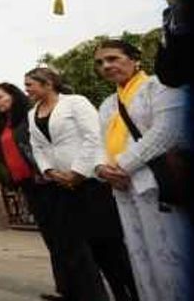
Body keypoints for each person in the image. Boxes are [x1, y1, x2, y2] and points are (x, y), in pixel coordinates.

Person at [25, 66, 138, 301]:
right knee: (77, 251)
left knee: (107, 247)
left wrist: (77, 171)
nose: (27, 90)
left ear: (47, 83)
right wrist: (50, 171)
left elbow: (94, 136)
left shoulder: (75, 102)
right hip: (60, 187)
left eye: (30, 85)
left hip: (90, 184)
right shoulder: (31, 114)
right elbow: (38, 146)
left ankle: (127, 294)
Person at [93, 39, 190, 301]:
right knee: (140, 256)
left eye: (113, 58)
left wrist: (122, 164)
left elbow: (168, 131)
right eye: (101, 62)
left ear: (135, 59)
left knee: (171, 255)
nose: (106, 65)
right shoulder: (107, 104)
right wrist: (102, 167)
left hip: (157, 186)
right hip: (123, 189)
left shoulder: (159, 87)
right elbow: (98, 143)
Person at [0, 82, 66, 301]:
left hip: (44, 180)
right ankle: (65, 287)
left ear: (13, 96)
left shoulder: (29, 117)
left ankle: (79, 287)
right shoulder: (2, 124)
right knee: (50, 237)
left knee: (62, 236)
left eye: (0, 96)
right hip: (26, 184)